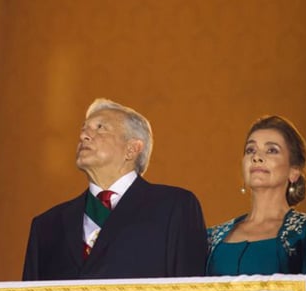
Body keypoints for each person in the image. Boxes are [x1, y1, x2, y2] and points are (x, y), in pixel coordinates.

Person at [23, 98, 207, 280]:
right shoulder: (47, 226)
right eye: (84, 129)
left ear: (132, 149)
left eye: (100, 128)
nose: (83, 136)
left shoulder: (174, 207)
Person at [206, 115, 306, 276]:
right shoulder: (212, 237)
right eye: (250, 150)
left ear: (294, 171)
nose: (257, 157)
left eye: (271, 150)